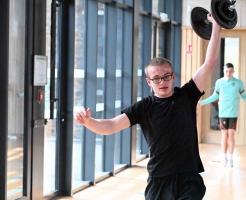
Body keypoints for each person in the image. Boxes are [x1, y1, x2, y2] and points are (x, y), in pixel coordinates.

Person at [74, 13, 221, 200]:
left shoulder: (187, 95)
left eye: (166, 76)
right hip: (158, 179)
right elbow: (111, 125)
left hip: (188, 178)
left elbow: (210, 63)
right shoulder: (144, 107)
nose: (162, 82)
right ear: (149, 82)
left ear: (173, 76)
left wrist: (216, 25)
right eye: (156, 78)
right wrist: (88, 121)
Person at [198, 63, 246, 168]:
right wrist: (202, 102)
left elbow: (245, 97)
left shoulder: (238, 83)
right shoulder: (219, 82)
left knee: (231, 134)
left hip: (233, 113)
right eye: (226, 71)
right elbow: (214, 96)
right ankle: (224, 157)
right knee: (224, 134)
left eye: (230, 71)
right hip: (223, 113)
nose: (228, 73)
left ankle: (231, 158)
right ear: (224, 71)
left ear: (233, 71)